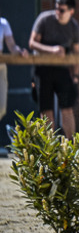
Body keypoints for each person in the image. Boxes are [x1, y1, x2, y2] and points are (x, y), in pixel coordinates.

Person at [29, 0, 79, 137]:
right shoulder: (45, 19)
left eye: (62, 10)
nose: (58, 12)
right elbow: (32, 43)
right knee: (46, 110)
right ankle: (49, 148)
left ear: (71, 11)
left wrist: (75, 77)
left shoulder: (74, 27)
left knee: (67, 109)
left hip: (62, 71)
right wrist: (52, 50)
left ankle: (71, 146)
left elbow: (77, 53)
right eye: (56, 9)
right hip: (42, 69)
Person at [0, 13, 29, 156]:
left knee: (1, 107)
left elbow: (11, 46)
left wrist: (19, 52)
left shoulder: (3, 23)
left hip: (0, 68)